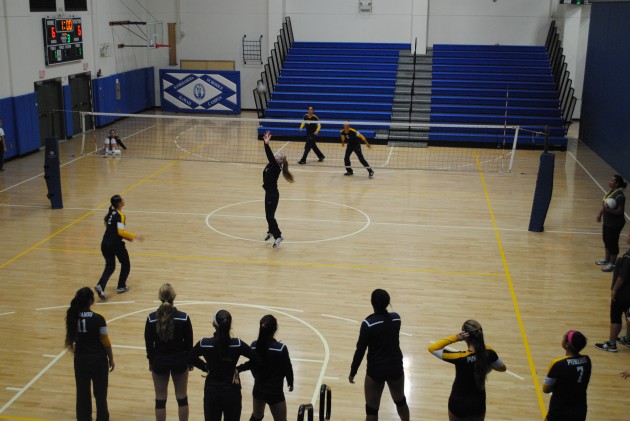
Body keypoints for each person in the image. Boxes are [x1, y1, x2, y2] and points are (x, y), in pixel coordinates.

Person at [349, 289, 410, 421]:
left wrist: (353, 371)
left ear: (372, 303)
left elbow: (360, 350)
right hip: (395, 367)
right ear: (388, 302)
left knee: (372, 409)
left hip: (376, 370)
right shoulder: (396, 319)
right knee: (400, 401)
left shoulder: (368, 324)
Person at [428, 320, 506, 421]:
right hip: (478, 403)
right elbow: (502, 368)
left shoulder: (460, 357)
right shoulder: (489, 352)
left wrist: (456, 338)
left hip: (458, 402)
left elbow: (432, 348)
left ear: (465, 336)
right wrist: (486, 368)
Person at [190, 309, 261, 421]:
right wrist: (238, 369)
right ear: (229, 325)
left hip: (212, 392)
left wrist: (205, 367)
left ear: (214, 324)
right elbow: (257, 359)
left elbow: (190, 357)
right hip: (232, 393)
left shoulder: (205, 343)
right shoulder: (237, 344)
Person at [145, 283, 194, 421]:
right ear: (174, 297)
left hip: (159, 362)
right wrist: (189, 362)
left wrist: (151, 362)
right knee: (182, 397)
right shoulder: (183, 317)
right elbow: (189, 343)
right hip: (180, 361)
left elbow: (149, 345)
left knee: (160, 399)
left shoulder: (151, 318)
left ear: (159, 298)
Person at [65, 287, 115, 421]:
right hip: (98, 360)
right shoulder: (98, 319)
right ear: (91, 301)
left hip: (81, 360)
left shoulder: (73, 317)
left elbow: (72, 340)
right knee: (100, 395)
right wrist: (111, 357)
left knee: (82, 393)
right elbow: (105, 340)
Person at [243, 315, 294, 421]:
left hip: (259, 389)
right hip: (275, 392)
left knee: (257, 416)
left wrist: (256, 377)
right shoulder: (280, 349)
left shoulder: (253, 346)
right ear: (275, 329)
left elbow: (252, 365)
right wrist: (290, 382)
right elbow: (287, 368)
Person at [94, 194, 144, 300]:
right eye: (122, 200)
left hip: (105, 244)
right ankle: (121, 286)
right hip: (115, 244)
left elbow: (113, 231)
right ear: (119, 203)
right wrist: (135, 236)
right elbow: (120, 231)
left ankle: (100, 286)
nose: (124, 200)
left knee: (110, 266)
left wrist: (126, 238)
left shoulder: (111, 213)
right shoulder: (120, 215)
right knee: (126, 264)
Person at [543, 330, 591, 421]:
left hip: (560, 409)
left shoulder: (558, 364)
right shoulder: (587, 360)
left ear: (567, 344)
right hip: (580, 409)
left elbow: (546, 389)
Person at [595, 232, 630, 352]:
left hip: (623, 293)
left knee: (615, 317)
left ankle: (611, 344)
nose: (627, 236)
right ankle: (628, 339)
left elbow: (622, 276)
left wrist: (615, 289)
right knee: (628, 315)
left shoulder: (628, 258)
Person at [261, 131, 294, 248]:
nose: (276, 156)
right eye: (276, 155)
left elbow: (269, 154)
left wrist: (266, 143)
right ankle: (270, 231)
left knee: (270, 216)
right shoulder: (272, 164)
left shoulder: (276, 166)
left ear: (280, 161)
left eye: (278, 157)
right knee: (269, 214)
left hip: (272, 194)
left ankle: (278, 236)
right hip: (269, 193)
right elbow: (270, 156)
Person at [596, 174, 626, 272]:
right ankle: (606, 259)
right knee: (606, 240)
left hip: (615, 224)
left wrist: (607, 210)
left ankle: (612, 264)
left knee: (612, 243)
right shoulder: (611, 192)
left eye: (612, 181)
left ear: (617, 184)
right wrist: (600, 214)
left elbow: (620, 211)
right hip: (608, 222)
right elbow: (605, 205)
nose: (610, 182)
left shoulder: (620, 196)